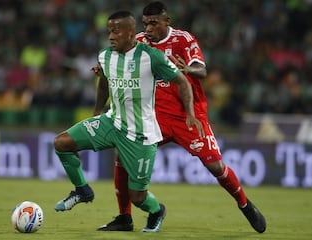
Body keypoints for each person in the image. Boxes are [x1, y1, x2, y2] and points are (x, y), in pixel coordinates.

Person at [97, 1, 266, 234]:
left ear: (167, 21)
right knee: (123, 156)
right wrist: (103, 68)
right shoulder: (139, 42)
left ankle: (245, 204)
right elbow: (118, 61)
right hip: (154, 117)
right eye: (145, 23)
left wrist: (187, 69)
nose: (148, 28)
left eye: (154, 23)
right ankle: (125, 217)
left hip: (188, 115)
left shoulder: (183, 39)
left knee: (215, 166)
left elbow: (202, 70)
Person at [53, 10, 202, 233]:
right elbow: (104, 81)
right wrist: (96, 113)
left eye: (116, 31)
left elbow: (183, 82)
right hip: (112, 122)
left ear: (131, 33)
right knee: (62, 143)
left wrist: (190, 112)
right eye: (109, 31)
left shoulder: (151, 57)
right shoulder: (105, 55)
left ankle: (156, 211)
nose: (111, 36)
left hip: (140, 134)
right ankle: (82, 190)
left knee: (138, 197)